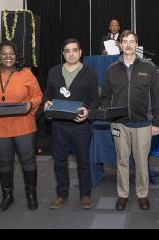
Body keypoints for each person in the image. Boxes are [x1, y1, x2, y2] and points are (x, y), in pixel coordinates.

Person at [0, 41, 42, 212]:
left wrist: (30, 103)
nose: (8, 56)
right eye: (4, 53)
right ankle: (7, 195)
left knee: (28, 161)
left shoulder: (27, 74)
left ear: (16, 56)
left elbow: (38, 95)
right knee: (4, 163)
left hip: (24, 125)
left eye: (12, 53)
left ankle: (31, 194)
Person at [101, 30, 159, 211]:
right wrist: (111, 114)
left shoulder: (149, 67)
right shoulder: (111, 69)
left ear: (137, 45)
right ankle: (123, 195)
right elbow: (105, 97)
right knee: (122, 161)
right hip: (119, 124)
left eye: (132, 41)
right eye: (124, 41)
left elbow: (156, 96)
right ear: (120, 45)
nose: (128, 44)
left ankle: (142, 195)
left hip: (143, 123)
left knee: (142, 162)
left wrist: (156, 122)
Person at [44, 38, 100, 209]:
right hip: (59, 125)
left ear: (80, 52)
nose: (71, 54)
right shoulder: (54, 72)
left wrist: (87, 113)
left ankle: (85, 195)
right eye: (67, 51)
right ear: (63, 54)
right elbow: (47, 95)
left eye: (74, 50)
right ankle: (62, 194)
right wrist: (46, 103)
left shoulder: (89, 73)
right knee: (59, 161)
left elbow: (95, 100)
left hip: (80, 125)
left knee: (83, 161)